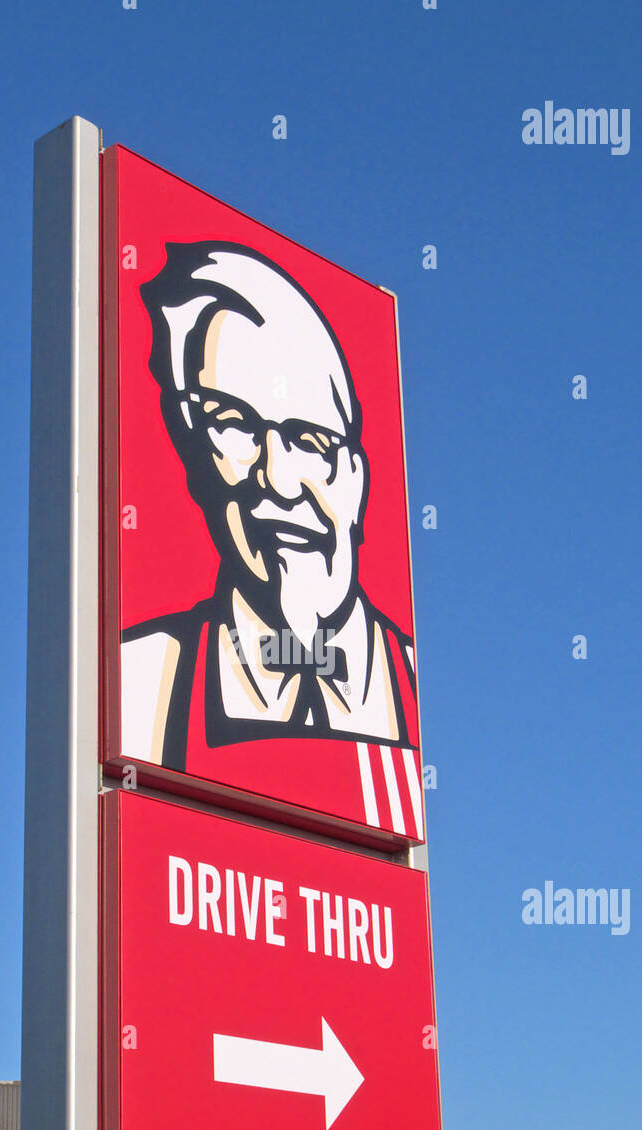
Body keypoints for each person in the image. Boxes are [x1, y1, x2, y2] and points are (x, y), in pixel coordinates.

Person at [121, 243, 422, 836]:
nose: (278, 480)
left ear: (358, 480)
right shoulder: (141, 683)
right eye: (234, 426)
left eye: (311, 440)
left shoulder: (412, 696)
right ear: (195, 457)